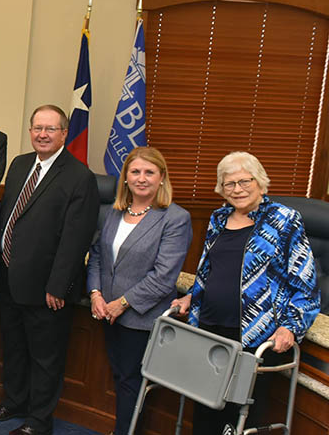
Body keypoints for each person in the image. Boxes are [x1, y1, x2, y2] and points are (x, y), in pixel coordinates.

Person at [172, 151, 320, 435]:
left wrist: (291, 326)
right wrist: (192, 296)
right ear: (221, 188)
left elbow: (306, 284)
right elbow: (208, 270)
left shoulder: (283, 219)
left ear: (260, 182)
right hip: (209, 329)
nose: (237, 189)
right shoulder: (218, 218)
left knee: (237, 418)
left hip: (254, 335)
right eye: (229, 184)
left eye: (244, 181)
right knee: (203, 410)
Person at [0, 104, 98, 435]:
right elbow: (10, 216)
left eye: (50, 129)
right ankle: (15, 401)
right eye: (37, 128)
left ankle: (38, 420)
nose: (43, 134)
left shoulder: (80, 177)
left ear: (64, 133)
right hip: (8, 278)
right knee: (14, 348)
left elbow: (76, 240)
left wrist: (58, 287)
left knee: (45, 358)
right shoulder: (20, 165)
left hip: (47, 288)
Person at [85, 147, 191, 435]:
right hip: (107, 312)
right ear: (126, 178)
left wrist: (122, 303)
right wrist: (95, 293)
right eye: (135, 172)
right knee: (120, 376)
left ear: (161, 178)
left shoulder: (175, 218)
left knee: (132, 382)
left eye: (149, 172)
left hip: (142, 318)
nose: (141, 178)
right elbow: (96, 255)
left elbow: (163, 277)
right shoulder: (114, 213)